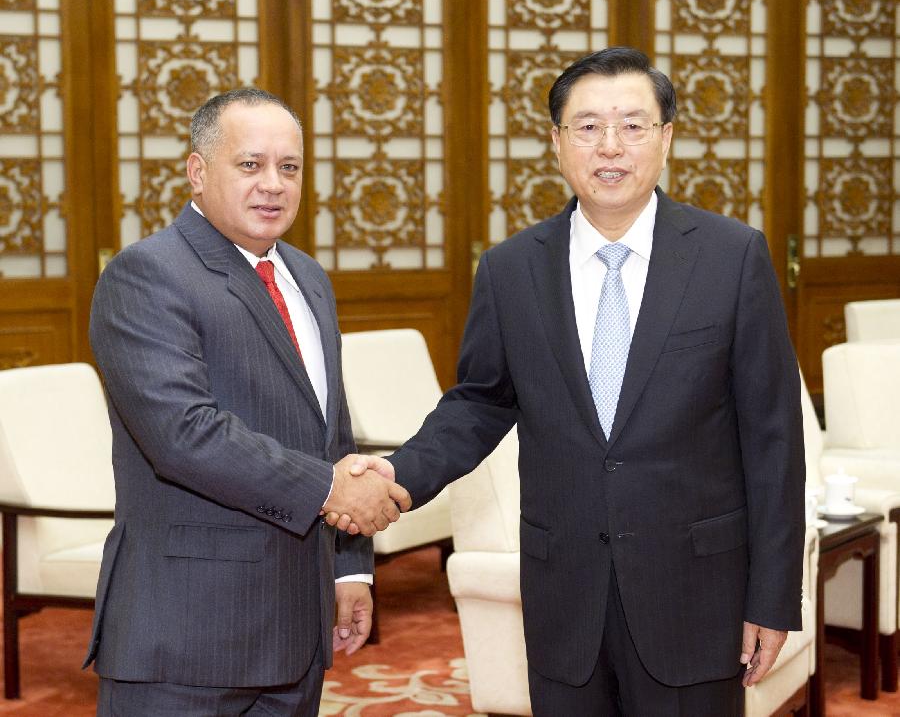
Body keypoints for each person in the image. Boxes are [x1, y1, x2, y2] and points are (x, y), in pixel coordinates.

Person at [331, 47, 805, 715]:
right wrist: (395, 474)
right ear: (556, 144)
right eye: (587, 126)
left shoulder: (733, 259)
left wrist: (772, 596)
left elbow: (774, 442)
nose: (611, 145)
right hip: (566, 597)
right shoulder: (511, 270)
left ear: (666, 139)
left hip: (694, 594)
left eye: (633, 125)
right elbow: (479, 403)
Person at [84, 88, 410, 716]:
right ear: (197, 171)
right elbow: (184, 434)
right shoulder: (146, 274)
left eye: (289, 168)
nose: (273, 185)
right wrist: (332, 490)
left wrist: (349, 570)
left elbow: (332, 436)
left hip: (295, 631)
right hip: (186, 635)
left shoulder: (308, 278)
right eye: (250, 164)